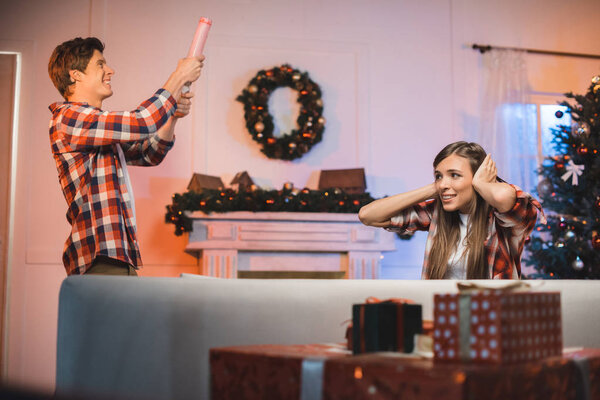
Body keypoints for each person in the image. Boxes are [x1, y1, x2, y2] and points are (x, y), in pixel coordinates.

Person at [48, 37, 204, 276]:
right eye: (100, 64)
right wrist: (179, 76)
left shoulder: (96, 131)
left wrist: (172, 117)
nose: (110, 70)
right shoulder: (69, 117)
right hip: (100, 256)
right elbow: (142, 121)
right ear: (76, 75)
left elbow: (151, 153)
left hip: (117, 254)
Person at [358, 141, 544, 279]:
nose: (444, 183)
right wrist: (434, 188)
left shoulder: (503, 219)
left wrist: (480, 183)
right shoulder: (437, 213)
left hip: (492, 321)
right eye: (438, 175)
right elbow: (368, 215)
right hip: (445, 318)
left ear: (479, 177)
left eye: (455, 175)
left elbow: (503, 197)